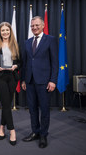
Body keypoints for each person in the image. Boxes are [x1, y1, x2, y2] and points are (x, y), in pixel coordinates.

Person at [21, 16, 58, 148]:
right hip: (30, 81)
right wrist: (24, 80)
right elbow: (25, 63)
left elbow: (55, 62)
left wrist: (53, 80)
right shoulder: (27, 42)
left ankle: (43, 135)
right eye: (32, 26)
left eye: (37, 25)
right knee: (32, 109)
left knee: (44, 109)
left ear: (42, 26)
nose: (34, 28)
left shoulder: (51, 40)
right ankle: (35, 132)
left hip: (44, 81)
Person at [0, 22, 21, 146]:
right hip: (0, 77)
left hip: (12, 77)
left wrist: (16, 66)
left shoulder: (15, 45)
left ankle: (2, 127)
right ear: (0, 32)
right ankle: (12, 130)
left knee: (7, 103)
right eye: (2, 30)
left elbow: (20, 62)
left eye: (7, 30)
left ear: (10, 31)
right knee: (6, 103)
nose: (5, 32)